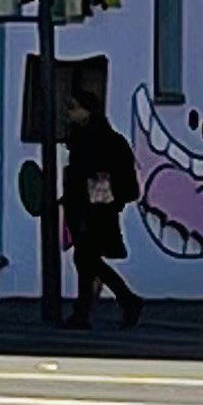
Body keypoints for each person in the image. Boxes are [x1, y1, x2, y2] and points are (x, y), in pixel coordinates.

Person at [59, 92, 143, 326]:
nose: (70, 113)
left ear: (87, 111)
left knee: (86, 258)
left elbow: (110, 174)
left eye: (74, 108)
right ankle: (87, 312)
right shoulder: (86, 137)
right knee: (87, 260)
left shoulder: (99, 139)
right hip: (89, 207)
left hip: (95, 209)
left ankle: (124, 300)